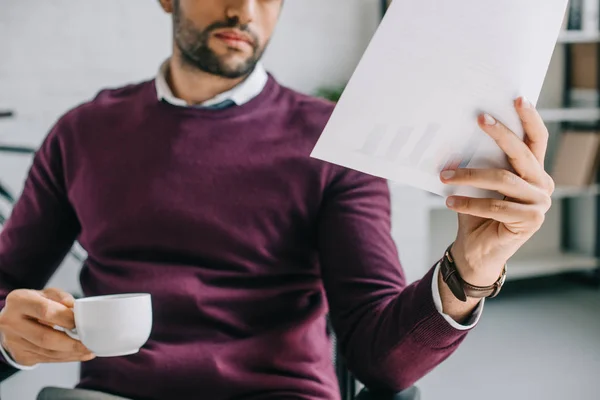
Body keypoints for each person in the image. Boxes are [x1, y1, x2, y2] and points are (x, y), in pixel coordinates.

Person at [0, 1, 554, 399]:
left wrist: (473, 268)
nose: (244, 9)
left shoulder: (331, 143)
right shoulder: (83, 133)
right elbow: (8, 280)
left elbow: (380, 361)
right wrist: (9, 335)